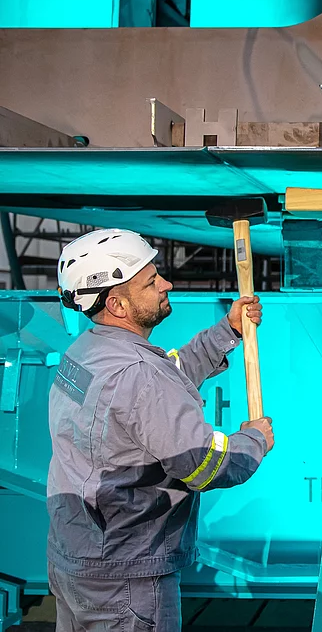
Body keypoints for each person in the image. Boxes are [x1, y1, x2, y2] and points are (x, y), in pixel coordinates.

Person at [47, 228, 275, 632]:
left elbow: (164, 380)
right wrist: (253, 440)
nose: (167, 284)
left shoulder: (88, 352)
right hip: (126, 577)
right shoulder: (137, 374)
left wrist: (228, 331)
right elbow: (204, 463)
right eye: (152, 281)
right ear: (117, 304)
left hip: (78, 558)